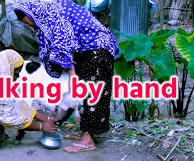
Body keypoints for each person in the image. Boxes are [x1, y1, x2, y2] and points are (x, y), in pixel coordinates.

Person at [14, 0, 119, 153]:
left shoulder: (52, 14)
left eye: (25, 21)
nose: (27, 24)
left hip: (97, 48)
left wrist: (71, 73)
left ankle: (87, 140)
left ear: (31, 13)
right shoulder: (49, 12)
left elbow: (64, 42)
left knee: (91, 94)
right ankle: (87, 132)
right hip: (88, 50)